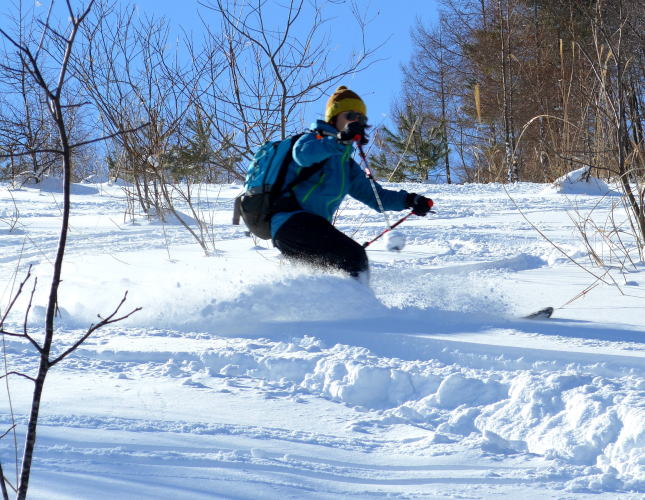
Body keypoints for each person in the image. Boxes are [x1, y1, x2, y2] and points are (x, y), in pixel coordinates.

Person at [271, 85, 433, 282]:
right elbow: (303, 156)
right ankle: (361, 308)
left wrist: (410, 200)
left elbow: (377, 198)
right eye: (349, 116)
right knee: (353, 257)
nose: (355, 121)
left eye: (361, 118)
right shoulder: (313, 139)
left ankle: (323, 308)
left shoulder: (345, 166)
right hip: (291, 223)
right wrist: (338, 141)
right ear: (333, 118)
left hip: (310, 230)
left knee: (330, 274)